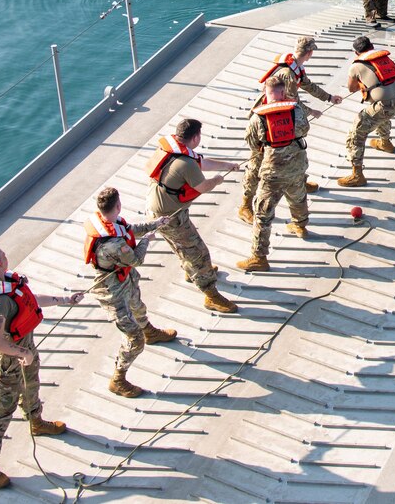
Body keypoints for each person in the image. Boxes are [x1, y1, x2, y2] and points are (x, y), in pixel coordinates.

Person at [0, 245, 83, 488]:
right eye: (3, 257)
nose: (6, 258)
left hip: (24, 352)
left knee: (31, 387)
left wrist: (65, 300)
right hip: (7, 362)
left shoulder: (10, 283)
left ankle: (36, 421)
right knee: (1, 409)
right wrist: (22, 353)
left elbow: (31, 300)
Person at [239, 36, 343, 223]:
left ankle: (299, 182)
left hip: (283, 116)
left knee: (295, 152)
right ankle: (245, 205)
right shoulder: (288, 73)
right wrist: (312, 111)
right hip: (267, 120)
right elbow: (293, 102)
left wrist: (328, 98)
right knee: (256, 165)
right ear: (310, 53)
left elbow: (307, 85)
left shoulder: (295, 65)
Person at [84, 187, 173, 398]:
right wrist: (147, 240)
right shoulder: (114, 245)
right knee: (134, 338)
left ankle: (149, 331)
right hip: (112, 292)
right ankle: (118, 378)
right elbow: (136, 259)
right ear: (118, 205)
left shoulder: (109, 223)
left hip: (125, 280)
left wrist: (156, 223)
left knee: (138, 306)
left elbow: (130, 229)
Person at [146, 118, 239, 313]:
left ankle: (192, 271)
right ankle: (211, 294)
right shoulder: (186, 163)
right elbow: (203, 186)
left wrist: (228, 165)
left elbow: (201, 163)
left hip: (157, 208)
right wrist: (217, 180)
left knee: (181, 245)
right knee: (199, 253)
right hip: (171, 216)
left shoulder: (173, 150)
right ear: (195, 137)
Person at [236, 76, 311, 272]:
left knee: (263, 214)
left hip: (273, 173)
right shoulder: (296, 110)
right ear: (283, 92)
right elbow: (305, 129)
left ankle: (259, 257)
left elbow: (252, 143)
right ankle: (300, 225)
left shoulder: (258, 118)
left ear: (265, 94)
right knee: (298, 196)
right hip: (297, 166)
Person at [338, 35, 395, 188]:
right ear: (372, 46)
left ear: (356, 53)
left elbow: (352, 88)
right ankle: (385, 143)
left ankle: (357, 175)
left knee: (356, 132)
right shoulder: (383, 57)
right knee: (378, 115)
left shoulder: (355, 66)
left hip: (385, 105)